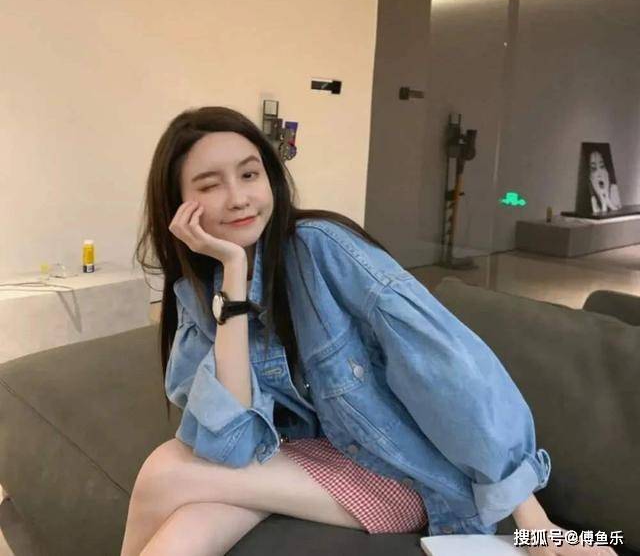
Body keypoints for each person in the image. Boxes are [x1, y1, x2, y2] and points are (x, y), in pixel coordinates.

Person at [121, 106, 616, 556]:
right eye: (209, 186)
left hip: (399, 470)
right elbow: (234, 441)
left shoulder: (322, 248)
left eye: (250, 174)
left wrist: (536, 523)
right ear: (178, 205)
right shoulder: (202, 289)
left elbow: (449, 372)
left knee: (165, 472)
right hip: (315, 458)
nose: (238, 198)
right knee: (183, 532)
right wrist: (232, 272)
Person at [588, 149, 622, 214]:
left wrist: (608, 201)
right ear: (590, 177)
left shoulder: (615, 190)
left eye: (602, 166)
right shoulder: (592, 200)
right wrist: (604, 203)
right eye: (593, 169)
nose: (599, 175)